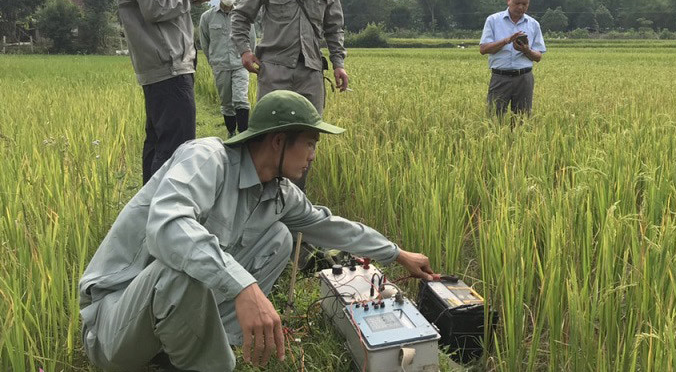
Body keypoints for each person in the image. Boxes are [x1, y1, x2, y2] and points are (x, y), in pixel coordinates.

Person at [78, 90, 437, 372]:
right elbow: (167, 229)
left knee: (280, 238)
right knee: (180, 268)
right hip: (115, 321)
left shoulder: (278, 192)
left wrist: (397, 253)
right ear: (278, 141)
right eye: (310, 143)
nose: (313, 155)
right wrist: (245, 287)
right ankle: (210, 365)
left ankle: (212, 344)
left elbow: (328, 226)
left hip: (169, 314)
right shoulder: (207, 159)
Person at [116, 0, 217, 184]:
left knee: (160, 144)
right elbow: (156, 7)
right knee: (176, 151)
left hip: (163, 64)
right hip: (168, 66)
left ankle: (148, 218)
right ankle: (163, 222)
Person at [199, 0, 256, 138]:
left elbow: (252, 40)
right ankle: (231, 133)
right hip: (220, 65)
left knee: (241, 99)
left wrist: (248, 58)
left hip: (240, 64)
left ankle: (244, 135)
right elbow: (205, 42)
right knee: (226, 102)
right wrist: (214, 61)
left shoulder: (243, 16)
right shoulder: (207, 17)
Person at [479, 0, 546, 116]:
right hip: (500, 77)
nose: (521, 7)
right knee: (494, 119)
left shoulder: (533, 24)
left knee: (523, 120)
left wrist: (526, 50)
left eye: (525, 4)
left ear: (529, 2)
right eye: (517, 3)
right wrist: (507, 40)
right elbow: (483, 49)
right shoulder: (493, 20)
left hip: (524, 78)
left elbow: (538, 57)